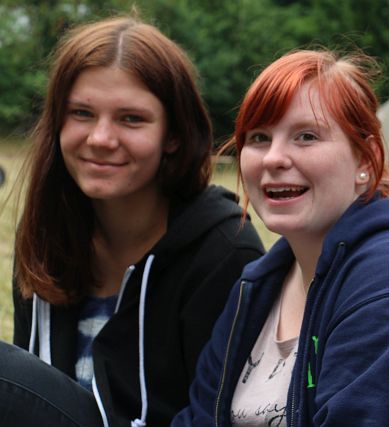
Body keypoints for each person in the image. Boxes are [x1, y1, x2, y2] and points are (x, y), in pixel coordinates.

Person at [171, 49, 389, 427]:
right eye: (259, 137)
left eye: (306, 136)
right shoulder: (256, 286)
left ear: (365, 159)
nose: (273, 158)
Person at [6, 16, 264, 427]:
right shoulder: (46, 233)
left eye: (131, 119)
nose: (100, 139)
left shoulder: (222, 252)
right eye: (82, 113)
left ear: (173, 135)